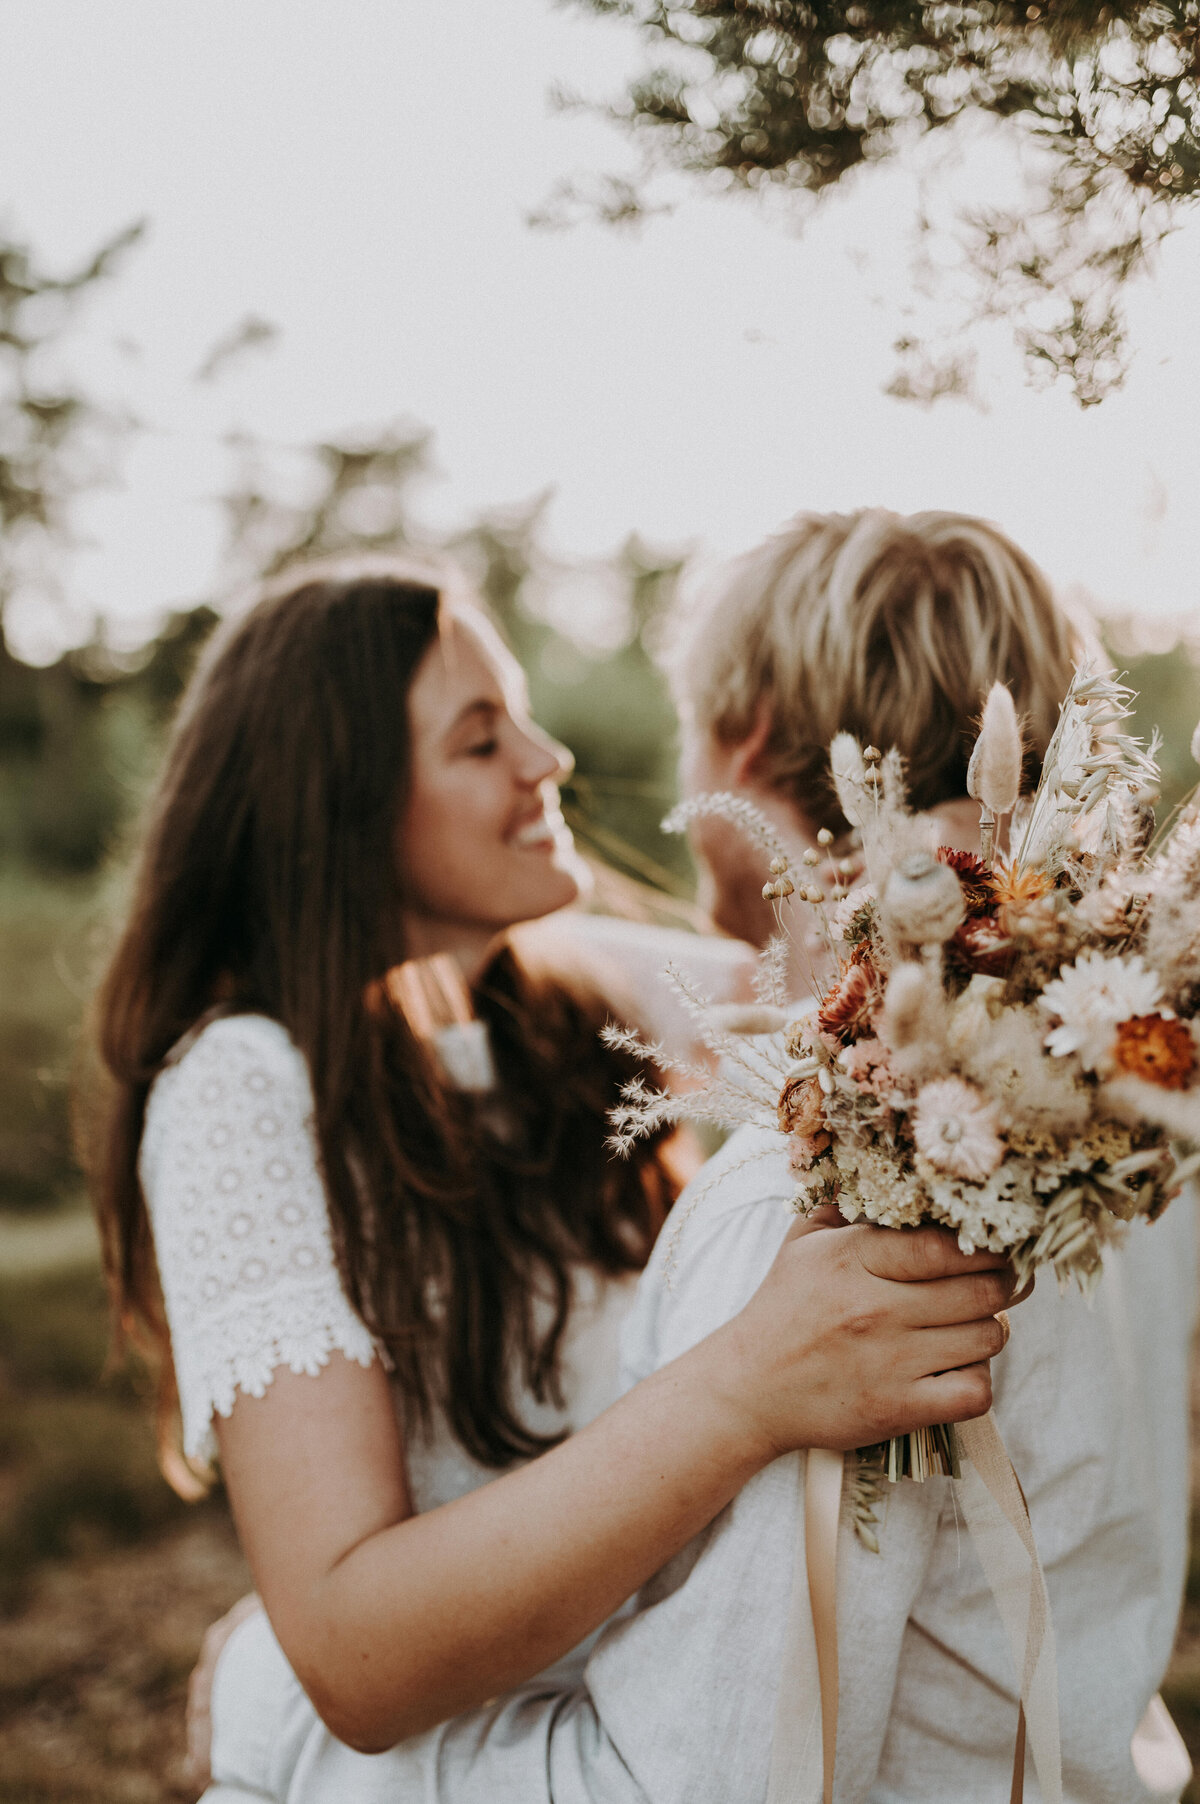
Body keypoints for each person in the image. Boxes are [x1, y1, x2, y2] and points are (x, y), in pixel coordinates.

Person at [199, 512, 1194, 1803]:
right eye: (482, 734)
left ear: (749, 734)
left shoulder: (815, 1215)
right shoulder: (1130, 1112)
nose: (548, 758)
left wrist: (273, 1715)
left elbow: (679, 1784)